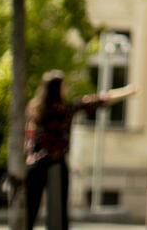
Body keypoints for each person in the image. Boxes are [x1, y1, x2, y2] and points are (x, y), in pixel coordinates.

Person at [23, 70, 137, 230]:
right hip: (56, 163)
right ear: (58, 89)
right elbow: (98, 101)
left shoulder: (35, 108)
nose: (66, 89)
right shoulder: (64, 109)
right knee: (59, 209)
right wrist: (126, 92)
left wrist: (27, 158)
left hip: (35, 164)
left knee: (30, 209)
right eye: (64, 86)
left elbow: (29, 138)